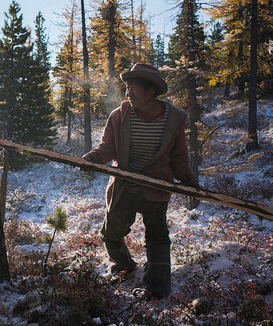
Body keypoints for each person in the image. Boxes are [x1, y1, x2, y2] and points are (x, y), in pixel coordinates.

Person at [82, 63, 198, 299]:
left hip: (156, 186)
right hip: (124, 184)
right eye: (127, 88)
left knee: (157, 234)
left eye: (135, 88)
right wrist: (95, 157)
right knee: (111, 232)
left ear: (151, 91)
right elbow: (109, 146)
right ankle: (122, 267)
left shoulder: (173, 119)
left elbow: (178, 155)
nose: (129, 93)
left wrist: (186, 178)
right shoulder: (120, 115)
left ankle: (156, 286)